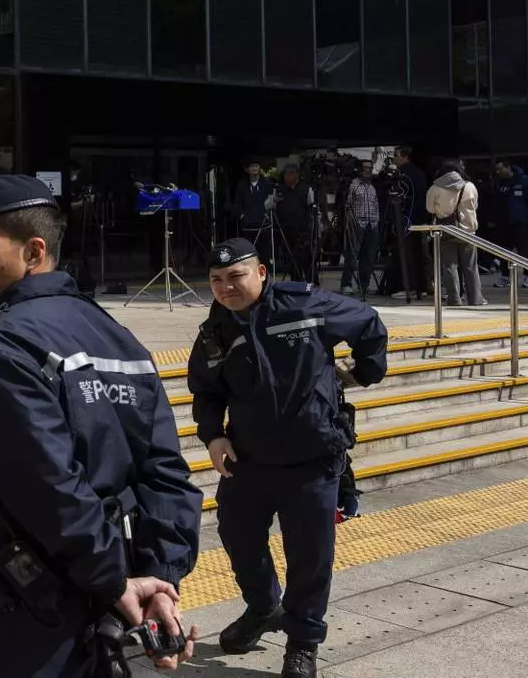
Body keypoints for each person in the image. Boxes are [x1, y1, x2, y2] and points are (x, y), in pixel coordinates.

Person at [0, 174, 203, 677]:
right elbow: (166, 471)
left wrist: (116, 582)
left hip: (29, 617)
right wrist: (157, 576)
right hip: (108, 609)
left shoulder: (4, 346)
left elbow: (45, 484)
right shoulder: (119, 338)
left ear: (33, 252)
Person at [188, 238, 388, 678]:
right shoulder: (215, 329)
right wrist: (211, 436)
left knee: (310, 556)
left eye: (236, 276)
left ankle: (302, 641)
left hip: (311, 455)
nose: (226, 287)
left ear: (261, 273)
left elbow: (368, 322)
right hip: (248, 459)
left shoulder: (304, 304)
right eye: (217, 281)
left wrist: (364, 373)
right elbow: (205, 389)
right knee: (239, 540)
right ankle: (263, 608)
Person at [427, 161, 486, 307]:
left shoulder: (435, 188)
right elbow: (475, 206)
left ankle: (454, 300)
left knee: (450, 267)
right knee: (471, 266)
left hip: (447, 231)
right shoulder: (470, 186)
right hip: (468, 232)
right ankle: (476, 300)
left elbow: (430, 209)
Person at [390, 146, 428, 301]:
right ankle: (421, 286)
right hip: (418, 219)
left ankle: (409, 287)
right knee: (419, 253)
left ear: (405, 157)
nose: (394, 158)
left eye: (396, 155)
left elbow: (401, 196)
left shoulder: (405, 175)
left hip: (407, 218)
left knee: (406, 253)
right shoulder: (419, 173)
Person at [265, 164, 315, 282]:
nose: (288, 177)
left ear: (296, 175)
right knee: (290, 259)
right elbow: (267, 205)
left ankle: (310, 284)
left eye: (291, 174)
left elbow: (312, 207)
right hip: (285, 230)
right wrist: (274, 200)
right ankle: (296, 283)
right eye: (286, 174)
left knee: (306, 259)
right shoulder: (278, 189)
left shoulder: (306, 188)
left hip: (303, 230)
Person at [340, 160, 380, 299]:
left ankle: (364, 285)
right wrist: (352, 222)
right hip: (358, 224)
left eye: (370, 168)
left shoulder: (371, 187)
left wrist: (376, 221)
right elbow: (348, 205)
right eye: (365, 168)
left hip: (372, 224)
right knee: (352, 255)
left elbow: (376, 206)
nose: (368, 171)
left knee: (368, 257)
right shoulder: (354, 185)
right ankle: (347, 284)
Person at [492, 158, 528, 289]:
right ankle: (505, 276)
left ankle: (527, 276)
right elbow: (496, 202)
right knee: (503, 250)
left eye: (500, 168)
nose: (498, 171)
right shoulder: (499, 183)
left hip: (520, 221)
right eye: (496, 169)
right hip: (503, 222)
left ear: (508, 167)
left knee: (524, 250)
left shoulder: (524, 181)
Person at [229, 161, 273, 243]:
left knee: (264, 251)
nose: (254, 169)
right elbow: (237, 203)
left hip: (263, 224)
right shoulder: (242, 185)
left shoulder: (267, 183)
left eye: (256, 166)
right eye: (252, 166)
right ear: (246, 169)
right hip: (247, 225)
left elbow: (271, 201)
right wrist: (242, 215)